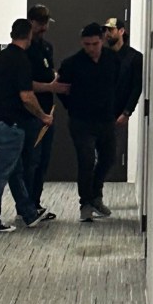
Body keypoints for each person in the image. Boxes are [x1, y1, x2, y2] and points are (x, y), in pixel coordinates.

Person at [0, 19, 52, 233]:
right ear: (29, 35)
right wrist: (43, 116)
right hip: (12, 124)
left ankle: (28, 213)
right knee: (2, 173)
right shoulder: (22, 61)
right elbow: (27, 96)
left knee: (15, 170)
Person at [57, 22, 120, 222]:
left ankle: (95, 195)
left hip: (106, 119)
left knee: (108, 158)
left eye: (94, 43)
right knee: (86, 161)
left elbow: (118, 84)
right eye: (86, 44)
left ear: (101, 41)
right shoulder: (72, 63)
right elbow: (62, 90)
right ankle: (85, 203)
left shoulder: (112, 59)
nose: (91, 48)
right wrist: (73, 107)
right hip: (81, 121)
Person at [22, 5, 68, 221]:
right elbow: (25, 84)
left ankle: (35, 203)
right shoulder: (25, 50)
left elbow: (48, 74)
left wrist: (54, 79)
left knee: (42, 162)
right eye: (40, 23)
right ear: (31, 22)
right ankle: (27, 206)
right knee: (31, 161)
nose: (44, 27)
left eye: (46, 23)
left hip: (48, 112)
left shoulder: (46, 48)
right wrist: (50, 87)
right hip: (31, 113)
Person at [103, 18, 143, 126]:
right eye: (105, 30)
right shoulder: (103, 56)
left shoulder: (134, 57)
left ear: (121, 31)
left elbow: (137, 87)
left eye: (110, 30)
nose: (107, 34)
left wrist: (127, 112)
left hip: (119, 115)